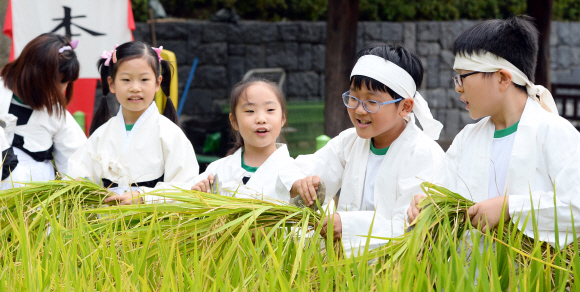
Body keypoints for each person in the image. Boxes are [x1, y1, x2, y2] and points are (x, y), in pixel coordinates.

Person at [408, 16, 580, 248]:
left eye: (463, 77)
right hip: (469, 279)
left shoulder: (554, 132)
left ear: (502, 78)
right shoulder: (466, 138)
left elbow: (575, 205)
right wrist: (427, 207)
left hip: (533, 279)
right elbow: (444, 195)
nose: (458, 87)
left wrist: (511, 208)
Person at [288, 44, 446, 258]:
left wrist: (348, 226)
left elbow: (410, 228)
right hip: (343, 273)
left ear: (405, 107)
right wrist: (301, 183)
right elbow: (304, 171)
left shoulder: (424, 155)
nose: (359, 110)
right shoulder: (349, 142)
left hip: (396, 278)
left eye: (372, 101)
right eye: (353, 98)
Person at [67, 41, 198, 204]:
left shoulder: (170, 135)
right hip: (107, 224)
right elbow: (78, 173)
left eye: (144, 79)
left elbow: (186, 186)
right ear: (112, 84)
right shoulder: (101, 135)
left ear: (157, 83)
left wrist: (145, 197)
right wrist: (80, 184)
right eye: (126, 80)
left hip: (155, 225)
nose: (135, 88)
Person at [191, 77, 304, 203]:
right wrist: (199, 198)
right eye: (250, 111)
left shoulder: (296, 173)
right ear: (234, 121)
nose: (261, 119)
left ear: (283, 118)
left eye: (270, 110)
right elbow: (184, 201)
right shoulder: (217, 171)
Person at [0, 33, 86, 188]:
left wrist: (81, 182)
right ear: (33, 74)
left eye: (65, 83)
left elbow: (77, 162)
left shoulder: (57, 115)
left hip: (36, 203)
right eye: (56, 83)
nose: (61, 91)